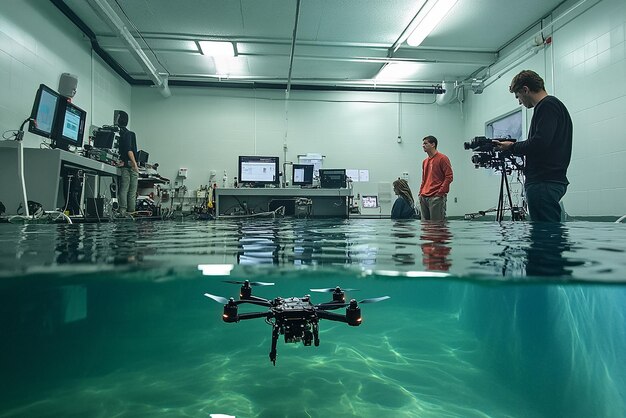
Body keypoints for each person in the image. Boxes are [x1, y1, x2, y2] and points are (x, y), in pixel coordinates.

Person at [494, 70, 572, 222]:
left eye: (518, 96)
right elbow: (542, 142)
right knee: (549, 232)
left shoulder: (547, 106)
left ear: (525, 90)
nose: (519, 102)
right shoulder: (553, 106)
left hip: (544, 182)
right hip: (551, 180)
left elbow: (539, 143)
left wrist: (511, 147)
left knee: (545, 235)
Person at [418, 135, 453, 221]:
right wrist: (420, 193)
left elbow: (449, 176)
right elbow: (424, 179)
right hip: (424, 197)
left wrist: (440, 192)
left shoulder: (442, 158)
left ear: (433, 144)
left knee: (437, 226)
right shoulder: (425, 162)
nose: (423, 145)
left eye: (425, 143)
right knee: (425, 226)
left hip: (436, 197)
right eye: (423, 143)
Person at [116, 111, 139, 215]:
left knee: (124, 188)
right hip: (130, 165)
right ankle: (131, 211)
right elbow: (129, 150)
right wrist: (135, 164)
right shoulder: (129, 134)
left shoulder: (119, 134)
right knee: (131, 191)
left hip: (124, 164)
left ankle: (122, 211)